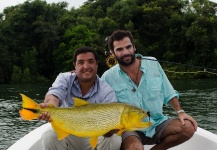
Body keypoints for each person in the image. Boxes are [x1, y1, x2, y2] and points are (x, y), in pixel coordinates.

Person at [101, 30, 198, 150]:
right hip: (129, 129)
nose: (125, 52)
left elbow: (168, 92)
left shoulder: (153, 63)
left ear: (134, 47)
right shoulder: (107, 77)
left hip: (156, 122)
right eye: (120, 49)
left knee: (188, 128)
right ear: (112, 53)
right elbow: (102, 106)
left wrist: (180, 112)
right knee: (135, 148)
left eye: (128, 47)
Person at [38, 46, 121, 150]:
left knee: (114, 139)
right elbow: (54, 94)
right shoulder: (64, 78)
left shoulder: (107, 90)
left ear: (96, 65)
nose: (86, 66)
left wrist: (110, 131)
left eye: (90, 61)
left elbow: (111, 120)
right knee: (49, 136)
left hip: (94, 135)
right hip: (68, 131)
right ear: (75, 66)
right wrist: (49, 106)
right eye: (81, 62)